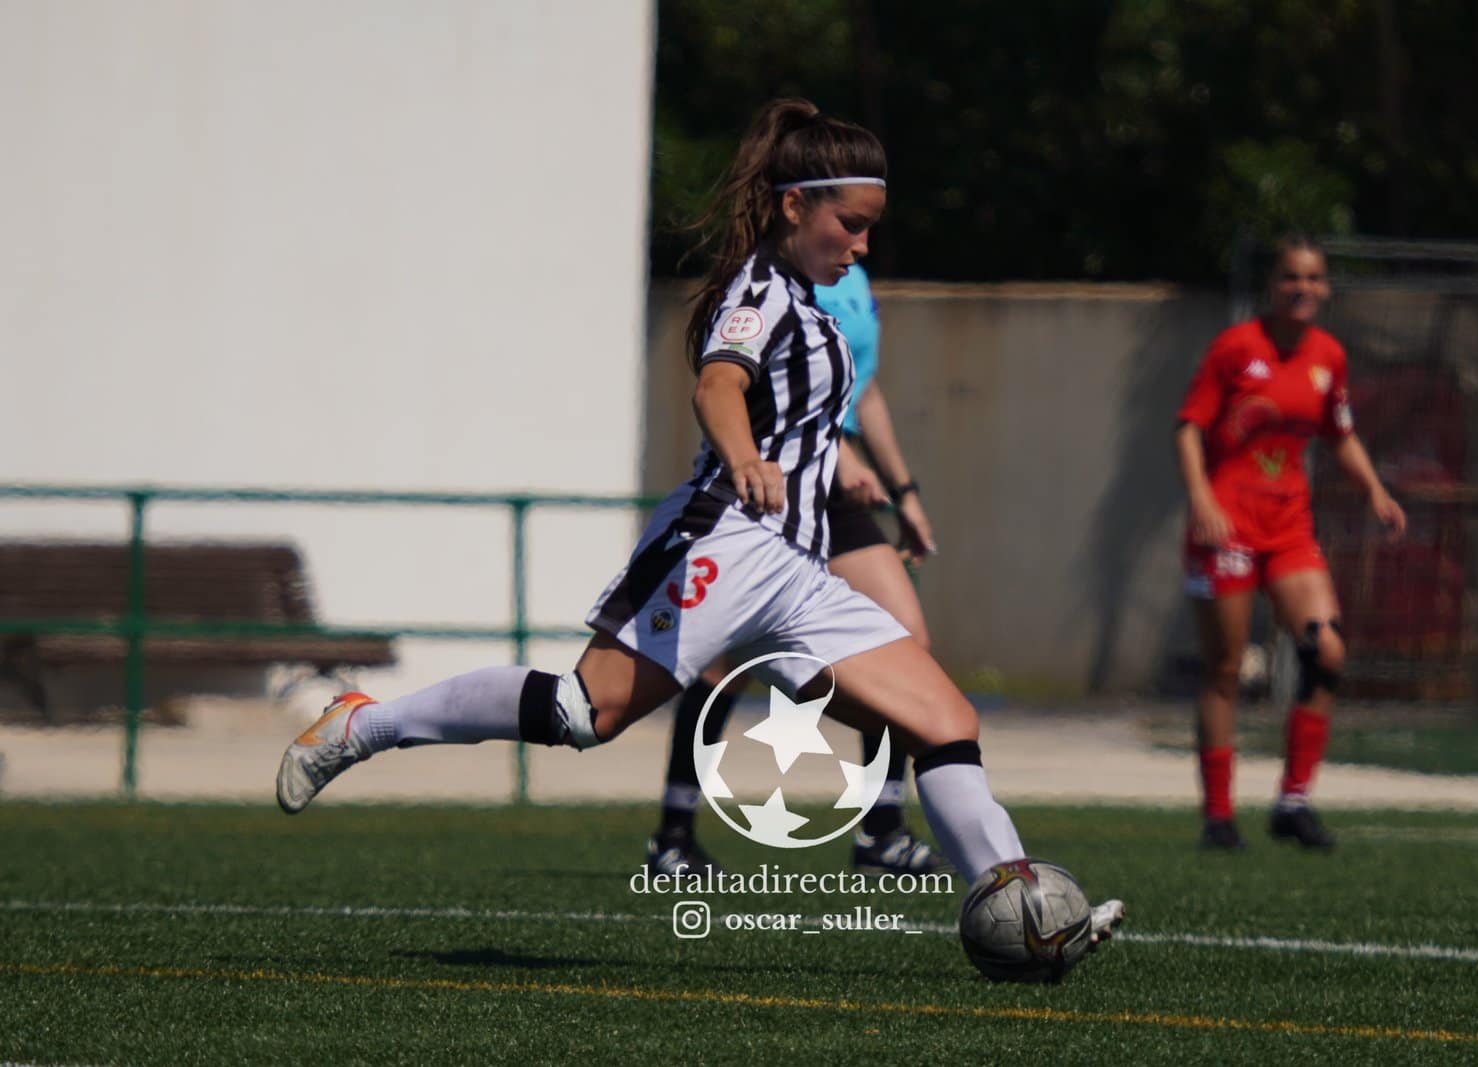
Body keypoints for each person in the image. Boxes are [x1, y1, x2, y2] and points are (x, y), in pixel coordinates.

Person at [275, 98, 1124, 945]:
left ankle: (1022, 907)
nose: (863, 246)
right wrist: (746, 455)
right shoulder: (759, 290)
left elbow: (805, 414)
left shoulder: (808, 295)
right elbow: (718, 382)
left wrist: (840, 464)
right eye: (852, 225)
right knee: (582, 714)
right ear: (795, 206)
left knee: (945, 721)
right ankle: (363, 721)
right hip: (725, 540)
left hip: (796, 573)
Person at [646, 262, 949, 880]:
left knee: (905, 643)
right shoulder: (782, 279)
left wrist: (906, 491)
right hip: (780, 484)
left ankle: (881, 832)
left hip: (837, 493)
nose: (860, 237)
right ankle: (673, 837)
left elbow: (859, 389)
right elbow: (777, 392)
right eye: (850, 216)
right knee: (721, 663)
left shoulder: (855, 278)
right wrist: (839, 456)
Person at [1176, 234, 1407, 851]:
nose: (1301, 288)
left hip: (1288, 528)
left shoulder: (1328, 355)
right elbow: (1189, 428)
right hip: (1225, 525)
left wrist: (1376, 491)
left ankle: (1293, 801)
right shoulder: (1236, 348)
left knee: (1326, 650)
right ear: (1272, 286)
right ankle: (1219, 818)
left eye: (1312, 279)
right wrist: (1201, 500)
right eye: (1290, 278)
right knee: (1225, 668)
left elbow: (1340, 432)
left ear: (1325, 288)